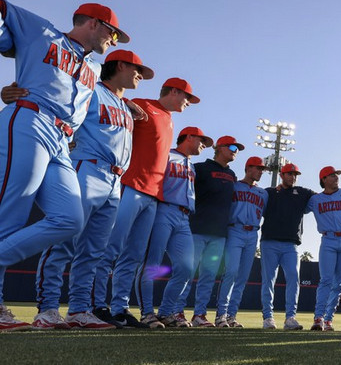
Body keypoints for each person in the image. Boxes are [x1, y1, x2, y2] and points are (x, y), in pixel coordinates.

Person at [0, 2, 126, 332]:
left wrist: (128, 104)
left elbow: (97, 103)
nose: (114, 39)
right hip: (30, 121)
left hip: (61, 140)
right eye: (112, 32)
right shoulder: (42, 31)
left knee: (69, 220)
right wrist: (11, 89)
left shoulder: (93, 68)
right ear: (94, 24)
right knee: (8, 215)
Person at [29, 50, 153, 331]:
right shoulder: (91, 90)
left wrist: (127, 104)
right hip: (88, 168)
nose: (140, 76)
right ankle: (48, 308)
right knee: (64, 239)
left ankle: (79, 310)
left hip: (114, 180)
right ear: (120, 65)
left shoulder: (124, 105)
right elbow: (58, 105)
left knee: (94, 250)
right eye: (137, 70)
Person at [92, 77, 199, 328]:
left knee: (134, 255)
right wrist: (124, 103)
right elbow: (110, 106)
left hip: (154, 196)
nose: (188, 103)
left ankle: (120, 308)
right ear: (173, 91)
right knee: (112, 248)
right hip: (131, 185)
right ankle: (96, 305)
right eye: (187, 97)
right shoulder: (143, 105)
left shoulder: (170, 119)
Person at [137, 127, 211, 327]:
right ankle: (146, 313)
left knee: (186, 268)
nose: (204, 145)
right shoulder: (167, 155)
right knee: (152, 264)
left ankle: (166, 313)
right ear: (188, 137)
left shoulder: (192, 166)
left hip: (184, 217)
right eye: (201, 140)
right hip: (163, 211)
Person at [176, 136, 242, 327]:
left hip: (219, 234)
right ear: (219, 148)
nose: (235, 150)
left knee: (208, 275)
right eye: (231, 146)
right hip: (196, 228)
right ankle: (177, 311)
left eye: (237, 148)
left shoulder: (232, 175)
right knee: (187, 272)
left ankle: (199, 315)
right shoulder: (201, 168)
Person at [259, 163, 315, 331]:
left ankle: (290, 317)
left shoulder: (303, 193)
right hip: (269, 241)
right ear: (282, 175)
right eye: (289, 174)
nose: (293, 177)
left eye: (295, 174)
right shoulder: (269, 192)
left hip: (291, 244)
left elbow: (323, 197)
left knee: (293, 278)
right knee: (268, 280)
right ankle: (268, 317)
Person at [307, 166, 341, 331]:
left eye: (336, 175)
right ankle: (319, 317)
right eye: (332, 175)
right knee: (326, 280)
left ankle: (329, 318)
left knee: (338, 283)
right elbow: (298, 208)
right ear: (323, 179)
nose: (336, 177)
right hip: (328, 239)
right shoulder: (315, 199)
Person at [216, 156, 268, 328]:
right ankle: (221, 315)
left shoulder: (263, 193)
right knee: (230, 272)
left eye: (262, 169)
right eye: (258, 168)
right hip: (235, 229)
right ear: (248, 168)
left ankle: (232, 315)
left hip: (253, 233)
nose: (261, 172)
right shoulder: (234, 186)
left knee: (242, 277)